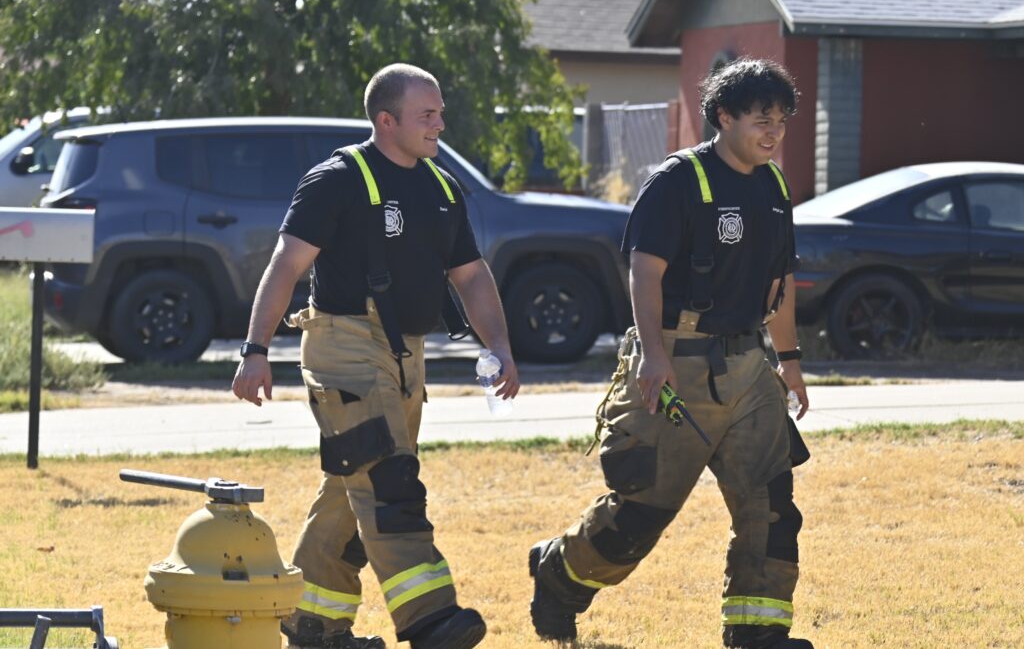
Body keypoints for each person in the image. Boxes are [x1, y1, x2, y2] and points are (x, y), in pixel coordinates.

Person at [528, 58, 814, 649]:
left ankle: (758, 634)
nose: (774, 133)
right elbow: (644, 273)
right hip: (678, 365)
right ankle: (560, 573)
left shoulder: (774, 186)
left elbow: (779, 283)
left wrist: (790, 363)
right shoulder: (677, 181)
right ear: (724, 116)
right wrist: (653, 356)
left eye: (782, 121)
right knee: (640, 515)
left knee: (771, 507)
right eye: (762, 120)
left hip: (749, 369)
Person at [233, 63, 519, 649]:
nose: (440, 124)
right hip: (343, 348)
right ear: (387, 121)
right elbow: (286, 265)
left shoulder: (442, 187)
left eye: (440, 113)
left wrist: (501, 347)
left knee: (352, 486)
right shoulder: (336, 179)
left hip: (407, 356)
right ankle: (431, 618)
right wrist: (255, 350)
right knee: (389, 479)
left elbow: (471, 275)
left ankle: (312, 623)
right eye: (427, 115)